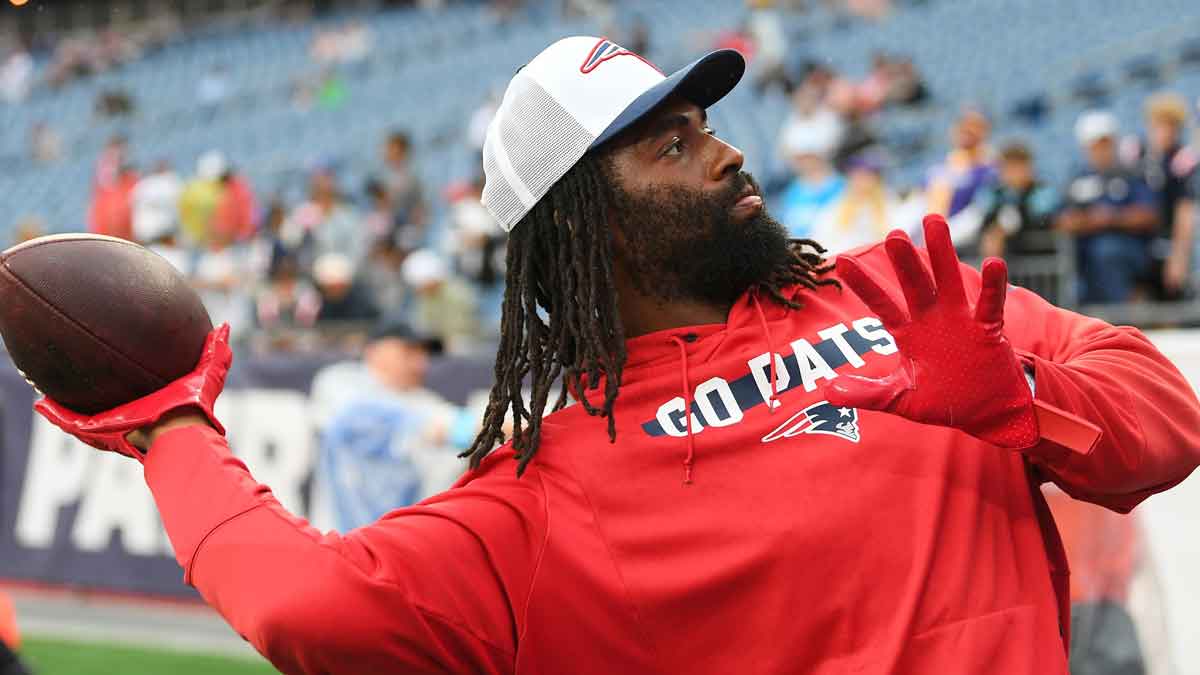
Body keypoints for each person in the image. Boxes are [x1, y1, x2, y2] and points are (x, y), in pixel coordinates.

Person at [35, 37, 1200, 675]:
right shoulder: (552, 488)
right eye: (670, 146)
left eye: (708, 126)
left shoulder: (907, 293)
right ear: (587, 227)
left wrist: (1028, 400)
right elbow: (308, 608)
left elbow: (1166, 419)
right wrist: (168, 426)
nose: (727, 155)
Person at [313, 320, 471, 532]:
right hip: (337, 544)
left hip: (397, 548)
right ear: (374, 352)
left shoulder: (425, 400)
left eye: (423, 354)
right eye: (408, 352)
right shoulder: (339, 382)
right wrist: (459, 429)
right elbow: (358, 417)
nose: (420, 363)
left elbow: (459, 427)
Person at [1056, 111, 1158, 305]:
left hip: (1127, 249)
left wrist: (1112, 218)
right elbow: (1063, 219)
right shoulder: (1078, 179)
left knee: (1108, 251)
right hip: (1087, 254)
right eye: (1095, 145)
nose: (1101, 150)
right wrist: (1088, 221)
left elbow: (1148, 214)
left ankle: (1126, 311)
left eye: (1105, 144)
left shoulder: (1131, 174)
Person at [1130, 92, 1196, 300]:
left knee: (1170, 296)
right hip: (1138, 243)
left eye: (1170, 125)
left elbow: (1185, 209)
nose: (1164, 132)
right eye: (1159, 125)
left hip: (1167, 241)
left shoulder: (1181, 160)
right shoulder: (1136, 154)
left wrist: (1179, 255)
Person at [810, 152, 912, 254]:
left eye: (865, 175)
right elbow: (822, 237)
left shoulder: (890, 203)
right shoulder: (837, 206)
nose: (859, 181)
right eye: (856, 175)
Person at [976, 142, 1060, 259]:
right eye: (1008, 167)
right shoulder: (994, 192)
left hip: (1038, 259)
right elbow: (984, 218)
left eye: (1018, 167)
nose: (1013, 173)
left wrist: (1003, 229)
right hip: (1009, 260)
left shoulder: (1042, 191)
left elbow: (1040, 219)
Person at [775, 116, 846, 239]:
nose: (804, 163)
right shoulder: (793, 191)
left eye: (808, 156)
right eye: (799, 158)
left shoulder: (842, 188)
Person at [400, 248, 480, 353]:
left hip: (466, 347)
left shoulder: (457, 293)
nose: (417, 290)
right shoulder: (425, 298)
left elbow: (460, 332)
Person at [925, 108, 997, 219]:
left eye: (975, 126)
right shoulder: (940, 163)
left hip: (967, 220)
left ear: (985, 131)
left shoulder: (990, 166)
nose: (969, 130)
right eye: (965, 125)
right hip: (935, 217)